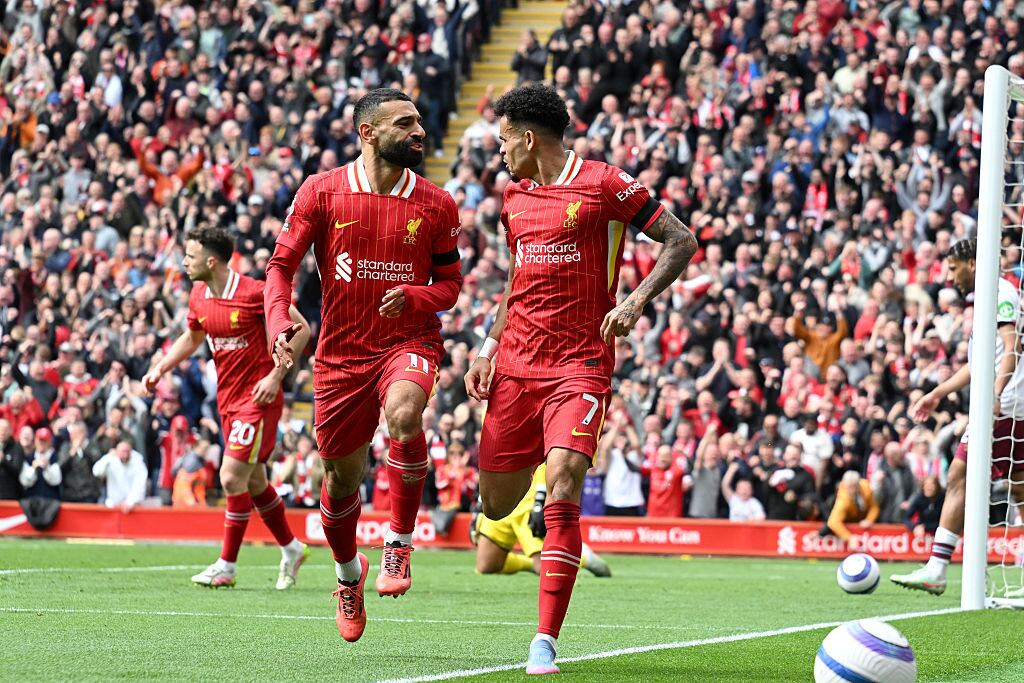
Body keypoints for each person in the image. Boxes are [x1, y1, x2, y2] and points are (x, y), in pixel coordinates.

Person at [464, 84, 697, 675]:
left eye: (501, 141)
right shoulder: (512, 197)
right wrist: (488, 346)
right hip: (515, 365)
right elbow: (516, 281)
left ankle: (544, 639)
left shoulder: (603, 183)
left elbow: (681, 239)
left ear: (527, 136)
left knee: (564, 483)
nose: (498, 153)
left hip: (580, 363)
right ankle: (531, 496)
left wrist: (638, 299)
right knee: (496, 502)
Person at [265, 88, 463, 642]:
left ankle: (399, 542)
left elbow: (450, 286)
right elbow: (280, 267)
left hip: (409, 342)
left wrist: (418, 298)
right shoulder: (322, 192)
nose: (420, 132)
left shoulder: (437, 204)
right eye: (406, 123)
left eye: (422, 122)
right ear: (368, 132)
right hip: (341, 355)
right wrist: (279, 319)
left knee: (405, 415)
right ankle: (348, 575)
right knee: (340, 480)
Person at [143, 226, 311, 591]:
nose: (184, 262)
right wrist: (161, 367)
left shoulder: (255, 292)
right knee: (253, 482)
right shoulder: (199, 294)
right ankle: (292, 548)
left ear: (211, 260)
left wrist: (276, 376)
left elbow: (300, 329)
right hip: (228, 400)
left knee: (231, 477)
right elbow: (193, 336)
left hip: (259, 398)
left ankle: (227, 566)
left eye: (190, 255)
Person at [893, 238, 1024, 595]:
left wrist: (995, 394)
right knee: (1018, 486)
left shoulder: (999, 293)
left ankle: (937, 567)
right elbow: (979, 362)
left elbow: (1011, 349)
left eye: (953, 267)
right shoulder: (991, 296)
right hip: (1012, 403)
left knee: (959, 473)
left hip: (1005, 404)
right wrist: (937, 393)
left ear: (972, 263)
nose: (949, 277)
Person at [475, 463, 610, 578]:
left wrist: (540, 499)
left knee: (547, 570)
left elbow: (546, 451)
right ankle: (531, 564)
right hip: (501, 494)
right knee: (486, 565)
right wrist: (480, 501)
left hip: (529, 498)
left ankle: (583, 558)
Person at [92, 440, 148, 511]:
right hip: (113, 504)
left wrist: (129, 502)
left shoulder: (138, 461)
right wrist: (107, 458)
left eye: (127, 451)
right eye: (122, 452)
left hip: (132, 505)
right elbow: (96, 472)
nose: (125, 455)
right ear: (117, 452)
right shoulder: (111, 459)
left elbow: (140, 484)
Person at [827, 471, 879, 544]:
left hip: (864, 518)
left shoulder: (866, 488)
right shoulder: (843, 499)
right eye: (848, 487)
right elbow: (833, 522)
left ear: (858, 485)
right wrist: (849, 537)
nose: (850, 490)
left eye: (853, 487)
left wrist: (869, 520)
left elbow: (874, 507)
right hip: (849, 520)